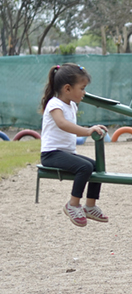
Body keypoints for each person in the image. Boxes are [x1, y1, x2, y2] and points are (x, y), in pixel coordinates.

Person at [40, 63, 109, 228]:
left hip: (66, 153)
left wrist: (94, 128)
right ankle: (72, 204)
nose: (84, 93)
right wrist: (88, 131)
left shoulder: (71, 104)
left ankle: (90, 206)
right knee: (84, 167)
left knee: (95, 165)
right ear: (67, 89)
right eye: (82, 88)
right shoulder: (54, 104)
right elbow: (62, 124)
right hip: (51, 154)